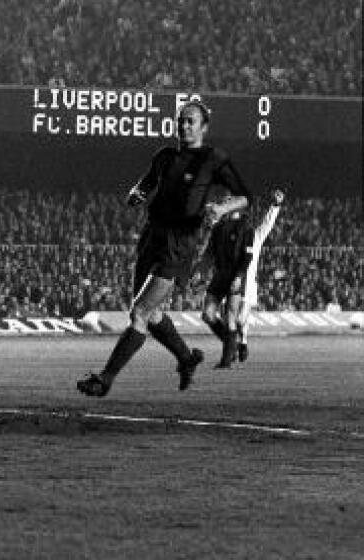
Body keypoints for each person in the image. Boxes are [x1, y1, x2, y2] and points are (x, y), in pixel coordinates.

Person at [77, 99, 251, 397]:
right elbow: (145, 184)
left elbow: (245, 196)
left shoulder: (213, 158)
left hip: (179, 243)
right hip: (152, 237)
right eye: (181, 120)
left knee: (140, 312)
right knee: (153, 314)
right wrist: (136, 193)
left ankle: (105, 380)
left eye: (190, 121)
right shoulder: (164, 156)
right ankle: (187, 358)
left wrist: (221, 209)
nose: (184, 125)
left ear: (204, 127)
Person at [197, 189, 256, 369]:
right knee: (207, 314)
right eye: (223, 200)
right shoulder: (219, 227)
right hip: (219, 275)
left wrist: (239, 276)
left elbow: (247, 256)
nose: (224, 203)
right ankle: (233, 344)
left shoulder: (246, 227)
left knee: (231, 316)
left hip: (235, 275)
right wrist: (201, 273)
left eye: (228, 200)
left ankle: (226, 361)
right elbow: (209, 253)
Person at [234, 188, 285, 363]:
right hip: (231, 282)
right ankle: (234, 346)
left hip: (247, 285)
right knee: (230, 318)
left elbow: (267, 224)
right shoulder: (231, 239)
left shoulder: (255, 237)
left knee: (240, 319)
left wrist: (275, 206)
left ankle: (243, 342)